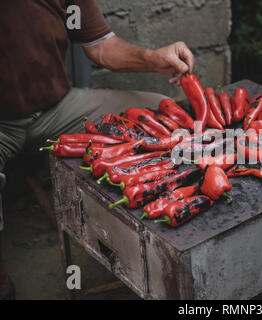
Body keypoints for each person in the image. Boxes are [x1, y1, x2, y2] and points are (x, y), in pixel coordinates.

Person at [0, 1, 195, 299]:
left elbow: (101, 46)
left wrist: (152, 58)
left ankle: (164, 225)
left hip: (58, 107)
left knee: (160, 111)